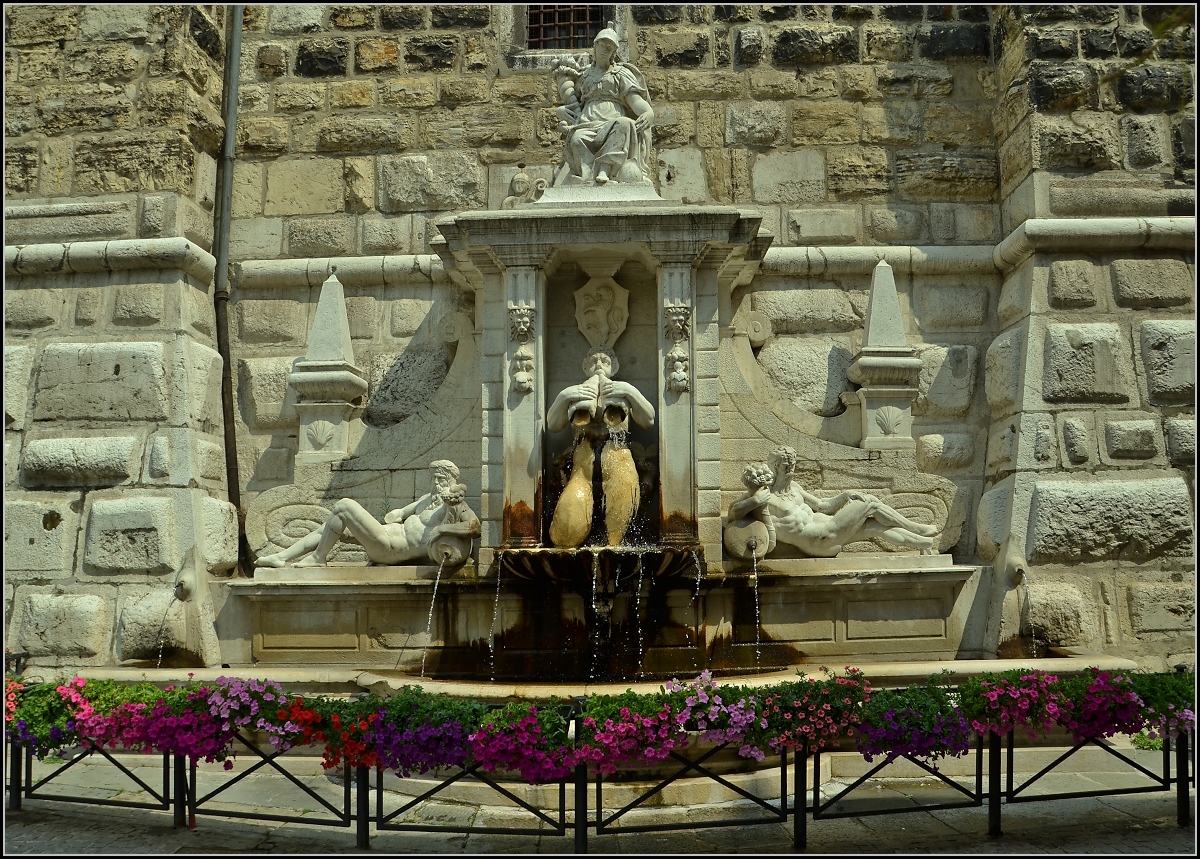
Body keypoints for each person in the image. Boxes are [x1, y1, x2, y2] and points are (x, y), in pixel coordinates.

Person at [254, 460, 480, 568]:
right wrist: (397, 513)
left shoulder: (453, 506)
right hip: (384, 536)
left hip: (391, 549)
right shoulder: (424, 500)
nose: (437, 483)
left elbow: (474, 527)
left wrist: (442, 528)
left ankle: (318, 558)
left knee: (344, 506)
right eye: (434, 478)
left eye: (442, 479)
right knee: (332, 525)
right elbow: (399, 514)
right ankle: (282, 557)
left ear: (453, 481)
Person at [725, 447, 938, 559]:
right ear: (774, 467)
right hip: (822, 538)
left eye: (792, 465)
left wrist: (844, 495)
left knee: (874, 527)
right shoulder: (766, 497)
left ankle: (923, 543)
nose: (790, 469)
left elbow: (823, 505)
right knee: (870, 503)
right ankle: (914, 527)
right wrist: (754, 500)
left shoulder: (795, 488)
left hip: (827, 532)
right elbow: (733, 512)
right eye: (785, 465)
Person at [547, 345, 655, 547]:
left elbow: (648, 420)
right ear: (585, 367)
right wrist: (565, 396)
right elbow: (553, 425)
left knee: (614, 538)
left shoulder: (622, 392)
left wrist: (630, 392)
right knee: (566, 536)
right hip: (582, 467)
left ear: (614, 368)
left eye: (604, 361)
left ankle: (612, 546)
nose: (598, 365)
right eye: (593, 362)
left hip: (618, 463)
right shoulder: (577, 393)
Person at [552, 26, 654, 186]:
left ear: (613, 52)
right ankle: (586, 177)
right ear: (595, 45)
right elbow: (574, 103)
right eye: (602, 45)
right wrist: (560, 111)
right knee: (577, 139)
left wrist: (648, 112)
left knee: (625, 124)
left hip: (612, 122)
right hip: (587, 124)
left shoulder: (620, 74)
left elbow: (635, 102)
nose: (604, 50)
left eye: (609, 48)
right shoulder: (585, 76)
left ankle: (605, 168)